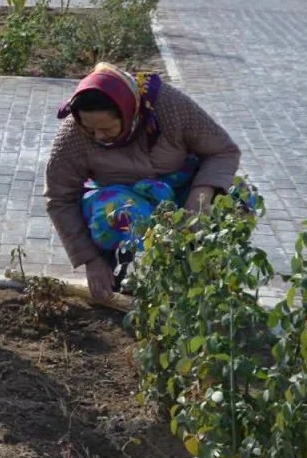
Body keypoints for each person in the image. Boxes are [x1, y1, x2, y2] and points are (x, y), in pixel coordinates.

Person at [43, 63, 244, 303]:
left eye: (107, 128)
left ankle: (207, 276)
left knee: (238, 201)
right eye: (90, 130)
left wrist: (199, 195)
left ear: (128, 112)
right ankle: (120, 268)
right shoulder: (74, 135)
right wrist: (90, 259)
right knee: (121, 214)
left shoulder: (168, 107)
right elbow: (59, 197)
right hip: (121, 195)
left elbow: (223, 150)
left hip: (179, 188)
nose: (98, 136)